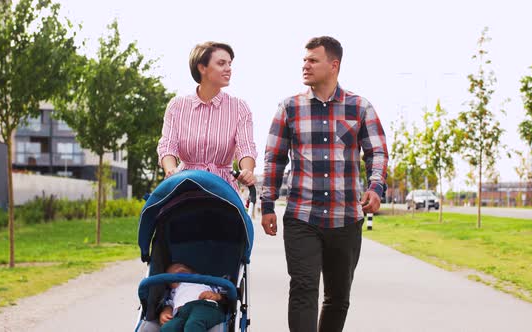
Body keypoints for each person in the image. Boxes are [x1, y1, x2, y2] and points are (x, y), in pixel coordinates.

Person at [260, 36, 388, 332]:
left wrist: (376, 186)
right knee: (304, 289)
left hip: (345, 218)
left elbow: (377, 151)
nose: (305, 65)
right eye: (304, 59)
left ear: (334, 65)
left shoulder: (360, 107)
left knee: (338, 297)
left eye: (313, 60)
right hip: (302, 216)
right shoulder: (289, 107)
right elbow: (274, 159)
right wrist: (267, 205)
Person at [157, 41, 257, 191]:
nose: (228, 69)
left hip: (223, 188)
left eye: (230, 64)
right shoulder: (177, 106)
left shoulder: (239, 108)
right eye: (221, 63)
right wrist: (171, 170)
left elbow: (246, 147)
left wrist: (247, 171)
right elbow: (167, 146)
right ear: (202, 67)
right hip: (185, 185)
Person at [159, 263, 226, 332]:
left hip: (205, 306)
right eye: (172, 279)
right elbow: (169, 304)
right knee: (168, 328)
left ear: (196, 273)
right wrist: (166, 312)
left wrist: (217, 296)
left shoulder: (206, 281)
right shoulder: (173, 292)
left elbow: (226, 293)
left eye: (181, 272)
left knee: (193, 324)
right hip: (182, 313)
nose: (177, 277)